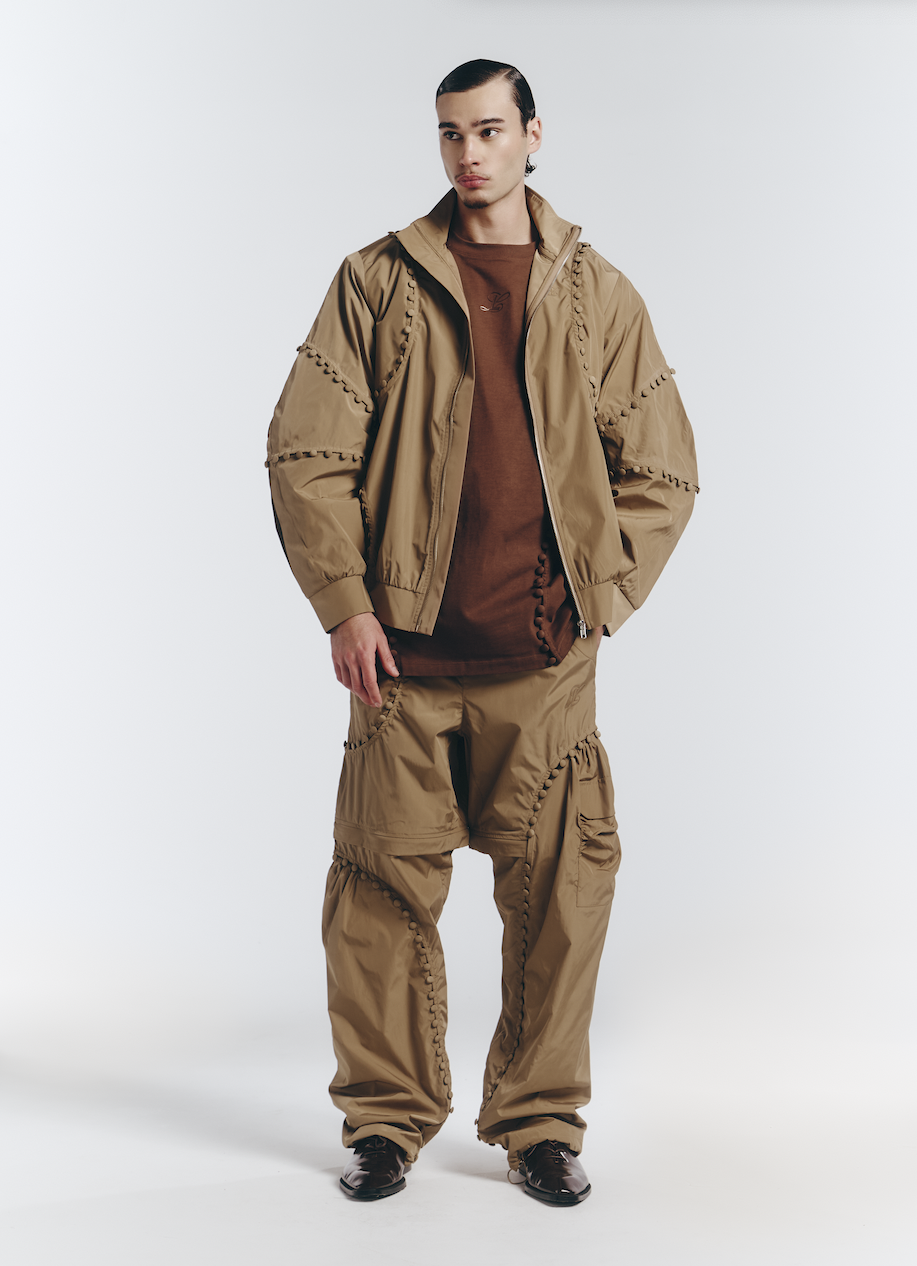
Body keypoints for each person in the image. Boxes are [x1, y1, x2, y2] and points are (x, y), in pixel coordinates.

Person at [266, 58, 698, 1206]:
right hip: (402, 665)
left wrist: (596, 600)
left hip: (544, 667)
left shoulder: (596, 294)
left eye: (490, 130)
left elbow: (662, 468)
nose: (469, 154)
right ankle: (385, 1123)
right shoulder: (376, 283)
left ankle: (541, 1125)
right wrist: (345, 604)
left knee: (562, 899)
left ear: (531, 136)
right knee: (376, 898)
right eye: (451, 133)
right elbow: (308, 453)